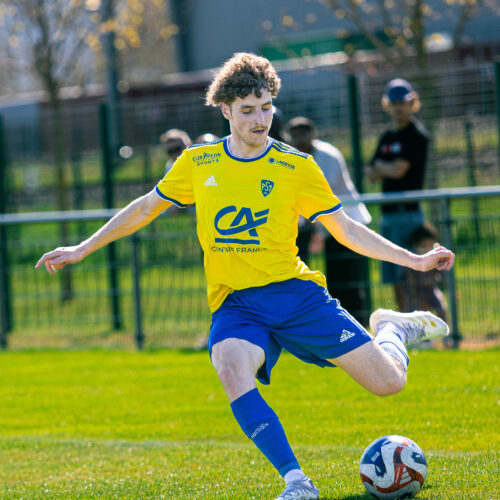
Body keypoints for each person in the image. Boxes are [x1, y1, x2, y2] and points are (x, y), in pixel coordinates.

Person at [36, 53, 454, 500]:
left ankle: (391, 328)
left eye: (267, 107)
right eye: (249, 110)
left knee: (389, 384)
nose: (261, 119)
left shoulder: (296, 167)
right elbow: (144, 208)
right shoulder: (199, 163)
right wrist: (81, 248)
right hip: (236, 303)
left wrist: (414, 261)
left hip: (296, 296)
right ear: (226, 110)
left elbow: (347, 230)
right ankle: (297, 482)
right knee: (231, 368)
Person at [288, 116, 372, 325]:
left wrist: (315, 230)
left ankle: (359, 326)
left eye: (303, 134)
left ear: (313, 134)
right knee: (336, 281)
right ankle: (343, 327)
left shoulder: (327, 155)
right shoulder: (295, 158)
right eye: (295, 135)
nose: (300, 139)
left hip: (349, 222)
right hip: (330, 227)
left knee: (349, 280)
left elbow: (321, 195)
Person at [365, 78, 430, 312]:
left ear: (412, 103)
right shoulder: (386, 136)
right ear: (387, 105)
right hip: (388, 215)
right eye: (394, 103)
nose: (398, 108)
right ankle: (403, 323)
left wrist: (382, 167)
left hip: (409, 214)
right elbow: (369, 174)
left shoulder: (417, 135)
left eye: (403, 102)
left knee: (414, 275)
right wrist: (387, 168)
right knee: (394, 276)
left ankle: (421, 324)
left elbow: (397, 170)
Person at [402, 222, 448, 324]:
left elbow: (443, 276)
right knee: (414, 312)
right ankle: (414, 331)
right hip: (416, 293)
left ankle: (446, 330)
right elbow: (410, 281)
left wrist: (448, 289)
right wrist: (414, 297)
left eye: (430, 246)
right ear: (415, 245)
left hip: (431, 290)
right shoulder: (412, 261)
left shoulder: (435, 260)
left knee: (441, 308)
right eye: (423, 246)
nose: (427, 250)